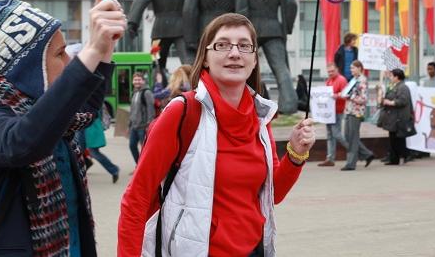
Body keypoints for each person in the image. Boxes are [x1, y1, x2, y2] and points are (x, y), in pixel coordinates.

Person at [118, 13, 315, 257]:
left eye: (244, 45)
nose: (234, 53)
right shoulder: (182, 112)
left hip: (255, 250)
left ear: (254, 59)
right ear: (206, 58)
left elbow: (273, 194)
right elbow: (136, 199)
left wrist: (296, 154)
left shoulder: (260, 117)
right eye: (222, 45)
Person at [0, 0, 125, 256]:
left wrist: (105, 48)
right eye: (59, 54)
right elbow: (24, 142)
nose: (68, 63)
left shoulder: (56, 118)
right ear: (26, 69)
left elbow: (84, 107)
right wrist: (91, 52)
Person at [237, 0, 299, 114]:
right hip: (273, 30)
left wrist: (241, 34)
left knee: (245, 67)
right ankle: (289, 105)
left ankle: (246, 103)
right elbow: (291, 4)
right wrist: (287, 27)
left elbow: (241, 12)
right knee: (281, 68)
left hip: (251, 31)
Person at [127, 0, 189, 70]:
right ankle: (195, 86)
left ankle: (157, 85)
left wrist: (132, 24)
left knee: (155, 61)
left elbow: (139, 2)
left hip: (158, 32)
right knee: (188, 61)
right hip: (181, 30)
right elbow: (191, 7)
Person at [339, 60, 374, 171]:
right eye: (351, 68)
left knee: (353, 138)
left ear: (359, 68)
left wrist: (350, 97)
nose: (351, 70)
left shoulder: (362, 81)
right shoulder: (354, 80)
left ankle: (351, 163)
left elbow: (363, 99)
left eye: (353, 68)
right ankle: (367, 154)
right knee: (348, 137)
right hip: (349, 110)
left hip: (356, 112)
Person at [378, 69, 415, 165]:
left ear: (397, 77)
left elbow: (403, 100)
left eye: (391, 76)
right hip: (393, 116)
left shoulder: (403, 87)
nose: (390, 78)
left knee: (398, 138)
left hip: (399, 117)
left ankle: (403, 155)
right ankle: (395, 158)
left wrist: (391, 102)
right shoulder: (394, 86)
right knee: (393, 138)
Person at [318, 63, 349, 167]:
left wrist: (337, 96)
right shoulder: (329, 81)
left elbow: (346, 95)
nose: (330, 73)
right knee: (330, 135)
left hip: (337, 111)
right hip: (329, 112)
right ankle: (330, 158)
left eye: (332, 71)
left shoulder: (342, 80)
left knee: (337, 134)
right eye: (328, 72)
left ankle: (354, 150)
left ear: (337, 70)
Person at [85, 109, 120, 183]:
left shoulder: (89, 100)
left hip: (91, 129)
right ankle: (86, 165)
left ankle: (114, 169)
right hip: (90, 128)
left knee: (93, 152)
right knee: (88, 152)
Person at [128, 72, 156, 165]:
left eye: (139, 80)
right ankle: (139, 165)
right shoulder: (134, 92)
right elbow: (132, 109)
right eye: (135, 80)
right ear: (132, 81)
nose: (137, 82)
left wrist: (149, 125)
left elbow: (150, 109)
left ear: (143, 81)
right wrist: (129, 124)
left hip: (143, 126)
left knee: (145, 149)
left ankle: (145, 167)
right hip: (134, 126)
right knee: (132, 146)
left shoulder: (147, 92)